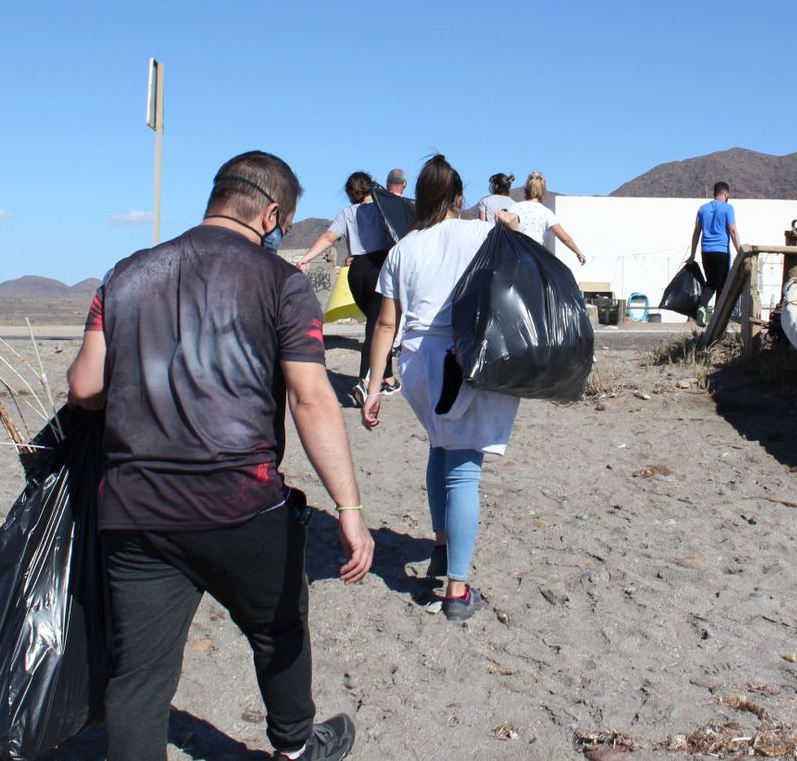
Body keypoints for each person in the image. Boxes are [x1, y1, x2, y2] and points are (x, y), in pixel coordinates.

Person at [67, 151, 374, 761]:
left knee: (140, 675)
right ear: (273, 214)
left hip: (135, 508)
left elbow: (85, 387)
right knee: (279, 628)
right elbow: (311, 398)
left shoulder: (125, 275)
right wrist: (349, 508)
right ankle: (295, 747)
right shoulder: (281, 283)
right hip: (240, 503)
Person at [361, 155, 522, 622]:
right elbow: (516, 246)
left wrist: (373, 387)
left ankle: (440, 547)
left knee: (439, 446)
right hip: (462, 360)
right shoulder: (479, 232)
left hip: (416, 363)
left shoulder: (403, 248)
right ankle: (456, 589)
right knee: (464, 470)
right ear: (458, 197)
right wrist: (506, 221)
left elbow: (385, 324)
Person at [297, 172, 398, 396]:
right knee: (378, 326)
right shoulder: (383, 208)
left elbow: (328, 237)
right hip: (379, 267)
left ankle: (388, 378)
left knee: (378, 322)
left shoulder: (347, 213)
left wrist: (306, 258)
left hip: (356, 271)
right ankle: (364, 381)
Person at [510, 171, 586, 265]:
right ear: (543, 191)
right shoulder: (545, 212)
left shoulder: (514, 207)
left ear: (527, 189)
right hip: (535, 258)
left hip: (515, 256)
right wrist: (578, 252)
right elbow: (564, 237)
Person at [691, 181, 741, 300]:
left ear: (714, 193)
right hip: (721, 251)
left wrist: (692, 254)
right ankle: (717, 311)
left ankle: (702, 306)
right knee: (722, 286)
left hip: (706, 251)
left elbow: (696, 232)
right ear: (726, 194)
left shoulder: (702, 209)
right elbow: (732, 231)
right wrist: (740, 251)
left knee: (711, 283)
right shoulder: (728, 208)